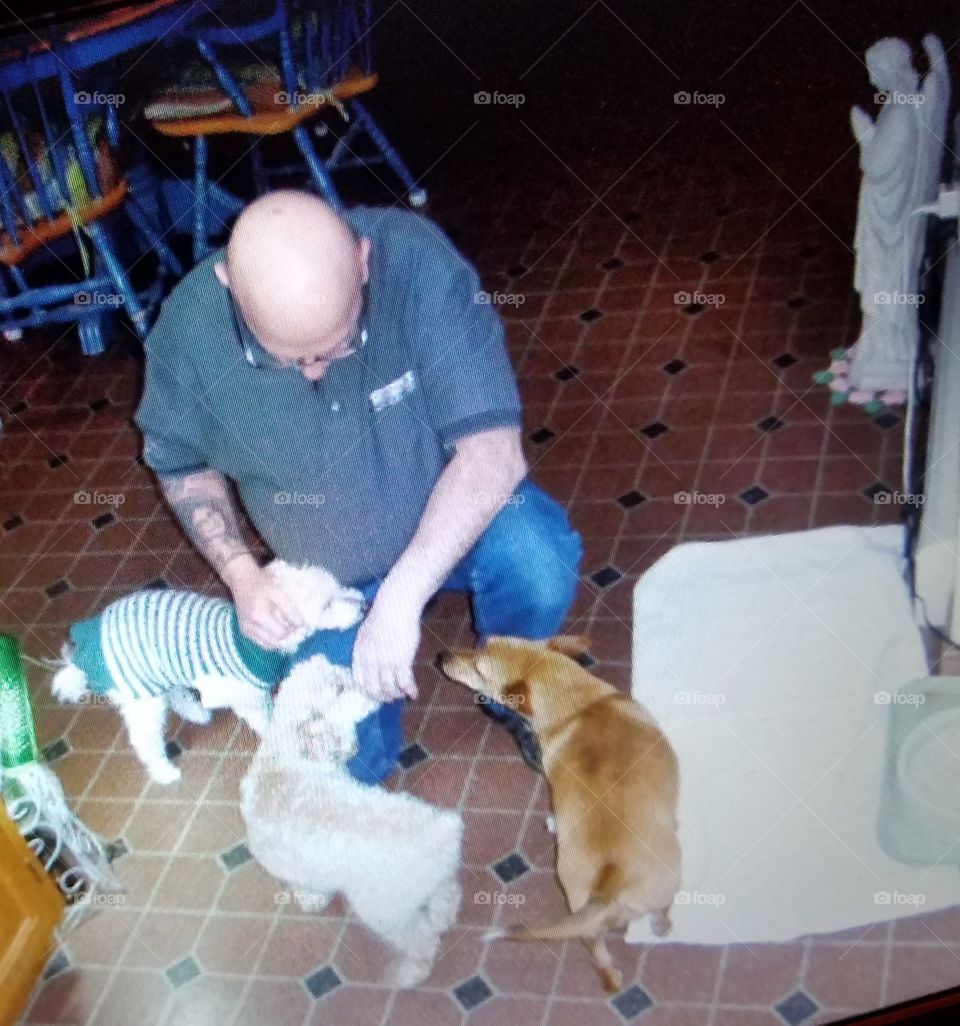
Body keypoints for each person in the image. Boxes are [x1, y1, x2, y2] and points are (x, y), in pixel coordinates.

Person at [135, 190, 583, 781]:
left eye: (336, 344)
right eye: (284, 358)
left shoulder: (419, 268)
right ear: (229, 286)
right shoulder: (188, 333)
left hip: (450, 521)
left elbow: (494, 455)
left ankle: (512, 682)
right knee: (341, 761)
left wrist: (400, 601)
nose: (315, 371)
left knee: (538, 556)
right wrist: (243, 579)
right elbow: (181, 464)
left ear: (363, 260)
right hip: (327, 582)